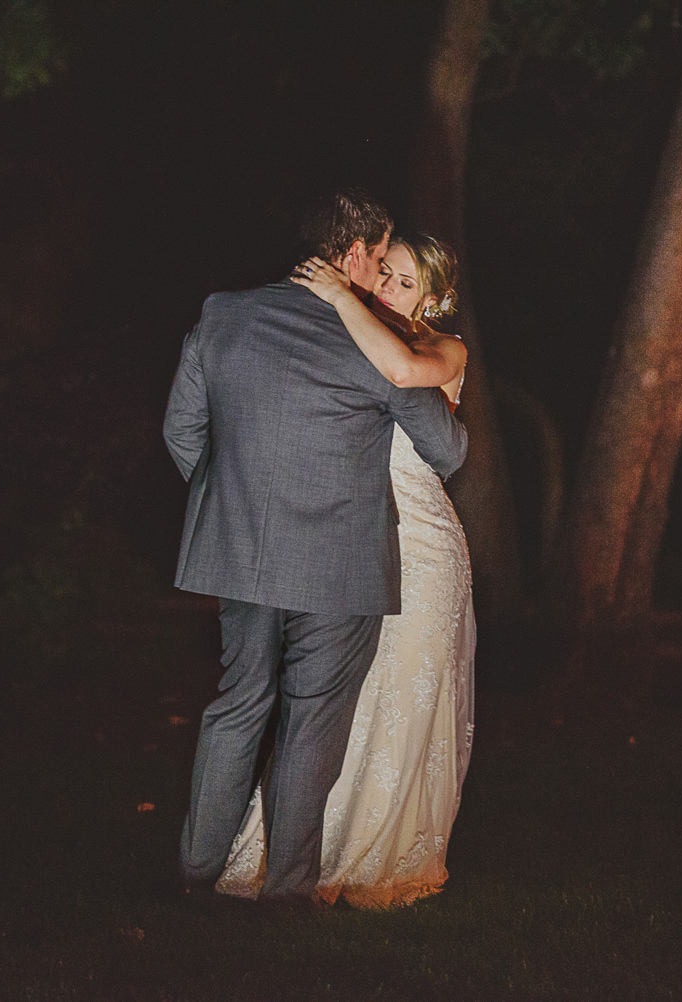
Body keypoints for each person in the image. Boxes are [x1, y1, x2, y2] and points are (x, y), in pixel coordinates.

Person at [163, 191, 469, 909]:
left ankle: (195, 873)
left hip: (241, 556)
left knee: (237, 705)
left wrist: (233, 506)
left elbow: (183, 432)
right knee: (312, 720)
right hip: (342, 563)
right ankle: (287, 892)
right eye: (381, 260)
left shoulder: (223, 313)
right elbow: (447, 448)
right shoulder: (372, 339)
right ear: (358, 253)